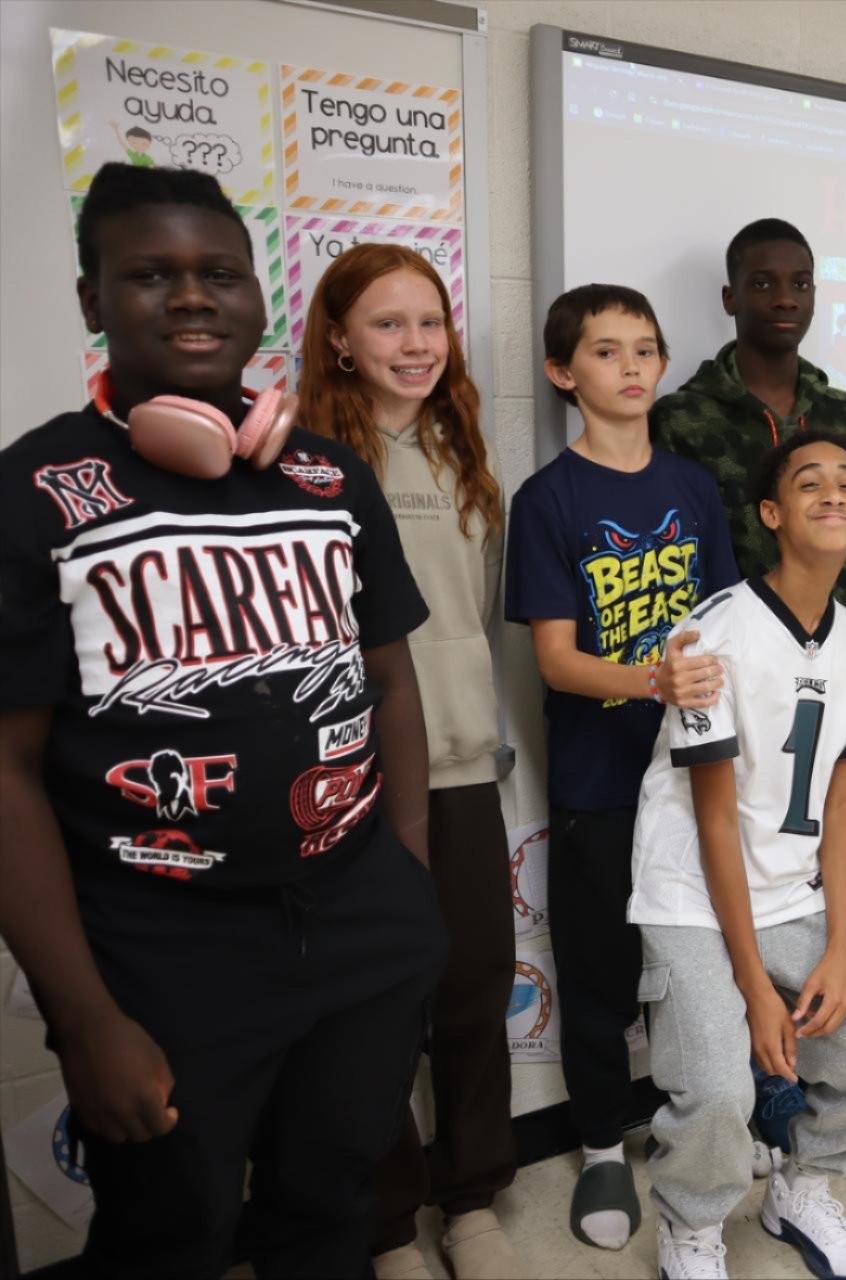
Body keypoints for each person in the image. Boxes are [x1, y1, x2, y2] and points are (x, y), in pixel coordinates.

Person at [0, 163, 445, 1276]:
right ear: (93, 299)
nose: (192, 297)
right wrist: (86, 1012)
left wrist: (406, 891)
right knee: (171, 1233)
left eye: (220, 274)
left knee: (337, 1204)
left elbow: (390, 682)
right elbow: (4, 768)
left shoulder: (328, 475)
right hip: (161, 945)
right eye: (150, 273)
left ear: (258, 299)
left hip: (358, 919)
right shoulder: (34, 488)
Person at [631, 432, 846, 1280]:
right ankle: (693, 1224)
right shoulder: (712, 637)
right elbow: (715, 824)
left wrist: (838, 949)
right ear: (771, 513)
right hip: (693, 895)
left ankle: (802, 1186)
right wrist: (756, 988)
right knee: (721, 1086)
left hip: (793, 894)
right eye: (809, 482)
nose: (833, 494)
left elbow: (839, 800)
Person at [297, 243, 521, 1278]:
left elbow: (473, 621)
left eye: (429, 322)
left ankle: (472, 1203)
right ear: (338, 338)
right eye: (388, 324)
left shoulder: (466, 456)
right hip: (351, 783)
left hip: (463, 768)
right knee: (371, 1010)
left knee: (472, 990)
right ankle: (389, 1225)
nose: (415, 344)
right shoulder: (296, 465)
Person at [650, 217, 846, 1147]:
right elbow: (681, 565)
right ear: (731, 297)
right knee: (730, 868)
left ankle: (830, 1073)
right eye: (762, 283)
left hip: (836, 676)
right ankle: (754, 1093)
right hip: (734, 678)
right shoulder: (683, 414)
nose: (783, 299)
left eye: (799, 283)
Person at [504, 284, 738, 1252]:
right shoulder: (546, 498)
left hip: (695, 775)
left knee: (702, 966)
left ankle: (709, 1119)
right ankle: (602, 1139)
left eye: (645, 348)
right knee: (599, 969)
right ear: (566, 373)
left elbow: (729, 622)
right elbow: (556, 659)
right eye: (607, 351)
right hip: (601, 776)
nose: (633, 366)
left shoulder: (690, 486)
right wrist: (657, 676)